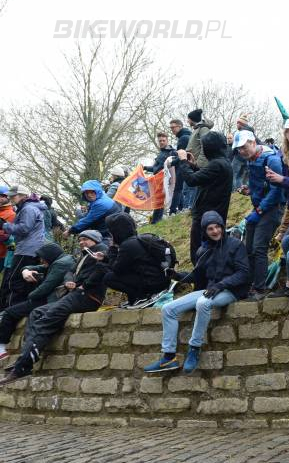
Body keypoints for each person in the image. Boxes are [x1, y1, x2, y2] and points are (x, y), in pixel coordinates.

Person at [144, 211, 250, 374]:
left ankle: (194, 348)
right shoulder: (203, 250)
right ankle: (169, 357)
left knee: (203, 303)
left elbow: (243, 273)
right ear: (205, 232)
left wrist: (221, 285)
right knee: (168, 309)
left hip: (231, 291)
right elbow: (197, 275)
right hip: (211, 289)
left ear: (222, 227)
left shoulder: (235, 245)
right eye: (210, 229)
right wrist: (177, 275)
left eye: (217, 227)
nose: (215, 231)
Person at [0, 230, 109, 385]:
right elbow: (71, 272)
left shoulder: (101, 250)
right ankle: (25, 356)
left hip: (87, 296)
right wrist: (70, 281)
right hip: (74, 294)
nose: (81, 242)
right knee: (37, 312)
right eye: (79, 240)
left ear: (95, 239)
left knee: (47, 318)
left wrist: (83, 285)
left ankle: (23, 366)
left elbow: (101, 271)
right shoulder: (85, 254)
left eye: (85, 239)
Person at [0, 242, 74, 361]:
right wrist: (26, 270)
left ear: (49, 255)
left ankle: (1, 347)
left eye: (42, 257)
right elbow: (39, 268)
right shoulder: (61, 261)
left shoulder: (60, 264)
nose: (40, 260)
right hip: (49, 298)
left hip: (49, 300)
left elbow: (46, 287)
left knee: (9, 312)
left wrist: (29, 296)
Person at [234, 129, 284, 300]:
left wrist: (260, 209)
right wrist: (249, 190)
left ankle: (260, 288)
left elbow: (277, 190)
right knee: (248, 249)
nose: (241, 151)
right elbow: (262, 186)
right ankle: (250, 284)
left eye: (244, 147)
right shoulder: (251, 159)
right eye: (239, 149)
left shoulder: (271, 159)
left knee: (259, 248)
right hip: (259, 207)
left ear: (253, 143)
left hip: (272, 208)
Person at [175, 131, 232, 264]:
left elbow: (191, 180)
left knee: (199, 252)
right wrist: (193, 166)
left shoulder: (217, 164)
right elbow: (203, 178)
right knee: (209, 251)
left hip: (206, 217)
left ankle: (200, 280)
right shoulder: (222, 163)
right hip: (213, 214)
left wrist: (183, 161)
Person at [102, 213, 170, 305]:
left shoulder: (127, 245)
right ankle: (135, 298)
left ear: (116, 231)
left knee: (109, 278)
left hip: (154, 284)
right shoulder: (138, 240)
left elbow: (116, 269)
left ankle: (142, 296)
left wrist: (112, 248)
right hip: (162, 279)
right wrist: (105, 258)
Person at [0, 187, 47, 307]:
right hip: (28, 248)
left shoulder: (28, 209)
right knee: (24, 281)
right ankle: (18, 309)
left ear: (23, 196)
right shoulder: (28, 208)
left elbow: (24, 228)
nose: (10, 198)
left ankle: (10, 311)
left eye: (13, 196)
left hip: (26, 249)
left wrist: (4, 226)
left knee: (13, 281)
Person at [145, 131, 177, 224]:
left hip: (166, 181)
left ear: (167, 140)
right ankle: (155, 220)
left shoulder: (172, 152)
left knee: (161, 201)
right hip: (157, 181)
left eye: (163, 140)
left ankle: (156, 221)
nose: (161, 142)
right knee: (158, 201)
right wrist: (144, 167)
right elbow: (156, 168)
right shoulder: (161, 153)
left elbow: (175, 168)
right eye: (160, 141)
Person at [184, 109, 213, 209]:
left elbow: (205, 146)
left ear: (192, 119)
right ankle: (195, 207)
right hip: (193, 164)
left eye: (188, 119)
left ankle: (196, 207)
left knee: (200, 188)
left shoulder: (203, 129)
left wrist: (199, 163)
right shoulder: (197, 129)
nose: (187, 121)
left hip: (199, 165)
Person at [169, 118, 192, 213]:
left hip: (184, 165)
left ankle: (173, 211)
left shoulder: (183, 138)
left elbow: (182, 155)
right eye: (171, 128)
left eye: (173, 127)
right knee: (182, 188)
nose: (172, 130)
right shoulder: (187, 135)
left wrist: (171, 162)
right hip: (189, 164)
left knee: (178, 188)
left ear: (180, 126)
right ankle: (182, 208)